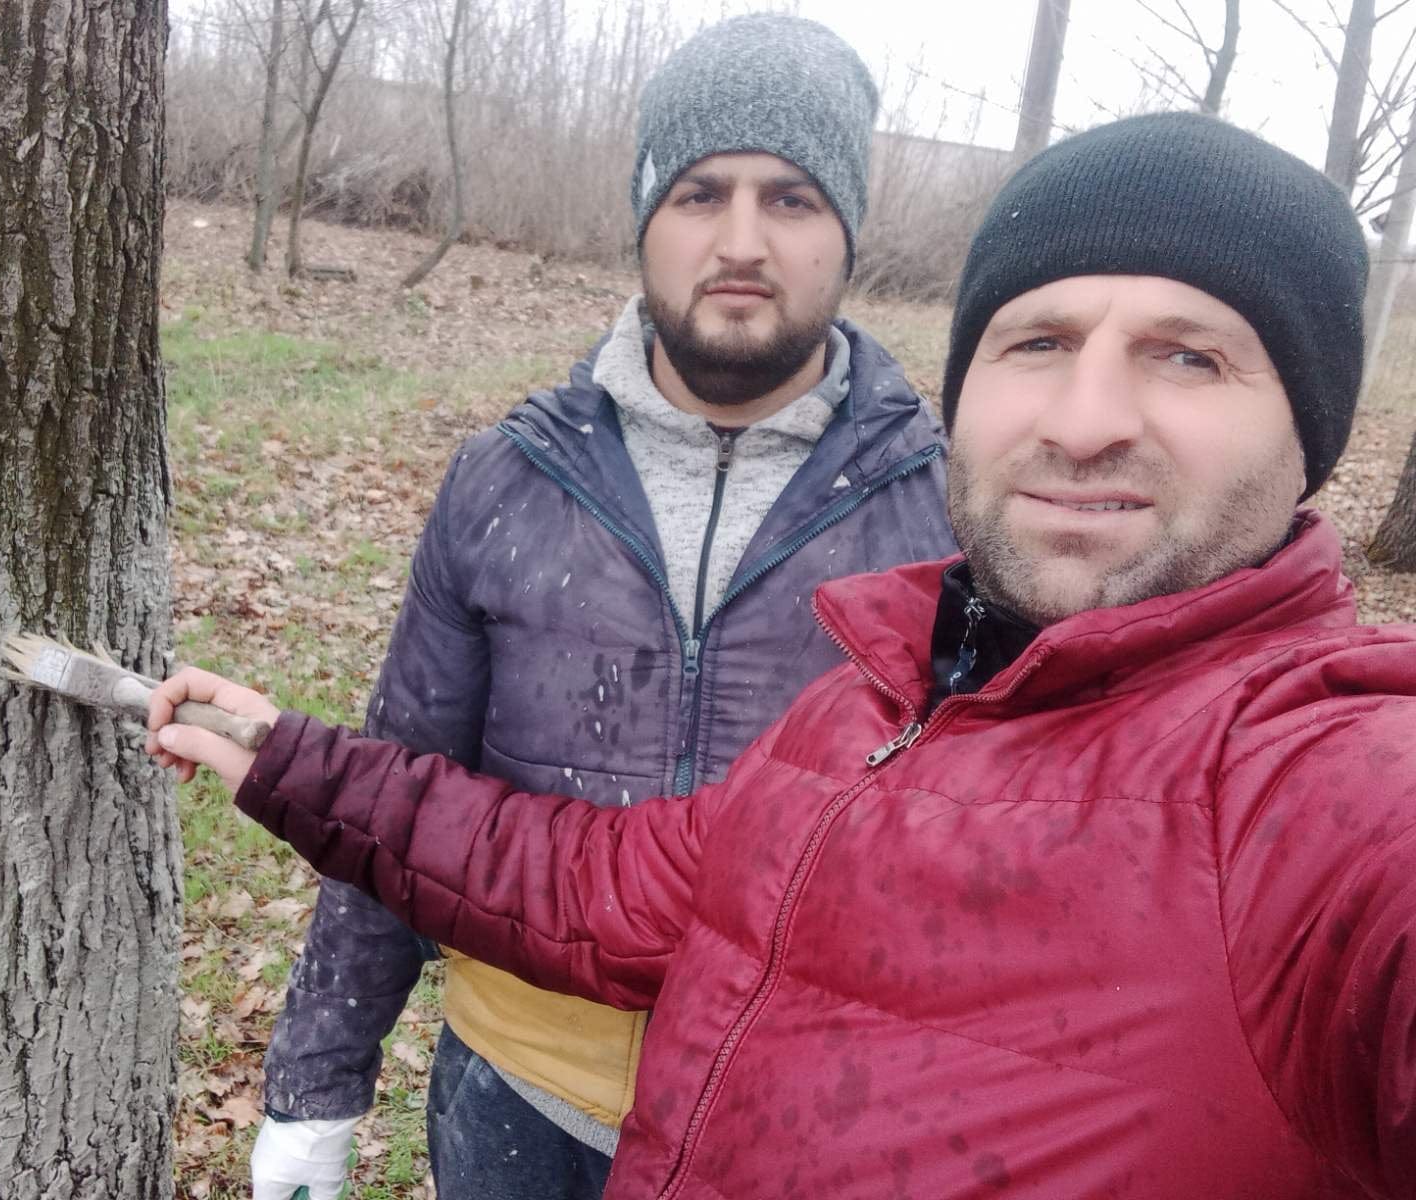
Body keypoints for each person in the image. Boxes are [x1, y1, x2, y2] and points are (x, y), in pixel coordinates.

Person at [150, 113, 1416, 1198]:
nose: (1084, 423)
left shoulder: (1324, 800)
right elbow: (581, 877)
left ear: (1306, 430)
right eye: (1036, 342)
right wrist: (297, 770)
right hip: (512, 1098)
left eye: (1189, 357)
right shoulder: (870, 714)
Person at [234, 14, 955, 1199]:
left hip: (807, 1125)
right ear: (641, 216)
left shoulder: (945, 512)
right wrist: (318, 1085)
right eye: (698, 192)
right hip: (517, 1104)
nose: (739, 240)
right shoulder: (506, 479)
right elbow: (398, 788)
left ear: (847, 231)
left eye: (790, 198)